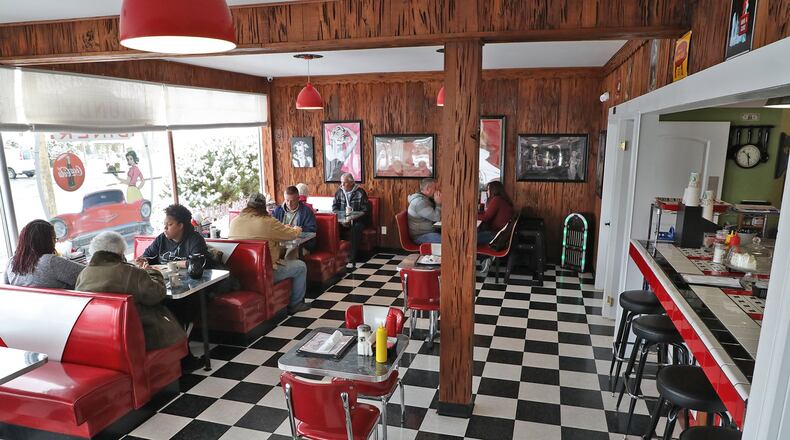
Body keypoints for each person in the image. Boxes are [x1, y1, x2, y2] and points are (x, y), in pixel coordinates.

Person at [76, 232, 186, 351]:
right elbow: (157, 294)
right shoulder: (131, 272)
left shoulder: (84, 274)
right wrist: (150, 272)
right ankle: (186, 359)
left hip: (97, 335)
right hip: (138, 333)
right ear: (120, 252)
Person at [229, 193, 310, 314]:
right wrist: (297, 229)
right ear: (263, 206)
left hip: (239, 274)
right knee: (300, 266)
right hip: (264, 274)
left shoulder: (234, 222)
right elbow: (291, 234)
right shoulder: (267, 221)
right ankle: (295, 304)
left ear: (248, 205)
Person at [3, 219, 84, 289]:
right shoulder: (50, 261)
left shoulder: (11, 262)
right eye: (54, 238)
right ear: (46, 241)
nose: (55, 242)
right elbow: (90, 273)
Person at [136, 204, 212, 269]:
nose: (165, 228)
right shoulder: (161, 239)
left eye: (169, 225)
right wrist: (143, 261)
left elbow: (199, 263)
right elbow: (147, 256)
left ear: (180, 226)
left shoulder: (195, 239)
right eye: (164, 224)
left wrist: (172, 264)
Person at [332, 173, 370, 267]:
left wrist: (352, 218)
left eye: (344, 183)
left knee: (356, 228)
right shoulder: (339, 192)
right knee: (334, 228)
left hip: (358, 220)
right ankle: (338, 255)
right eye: (341, 183)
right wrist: (343, 219)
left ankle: (352, 256)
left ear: (352, 182)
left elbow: (365, 210)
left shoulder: (360, 192)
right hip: (342, 220)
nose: (342, 185)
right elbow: (334, 208)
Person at [273, 186, 318, 251]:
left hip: (301, 245)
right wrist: (282, 227)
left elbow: (312, 229)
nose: (289, 204)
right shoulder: (277, 210)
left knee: (291, 251)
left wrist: (299, 229)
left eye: (292, 201)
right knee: (272, 251)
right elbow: (272, 227)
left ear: (298, 199)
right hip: (281, 242)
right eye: (287, 200)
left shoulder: (306, 211)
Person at [407, 178, 442, 244]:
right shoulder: (419, 202)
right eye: (435, 188)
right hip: (421, 235)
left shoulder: (426, 199)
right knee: (447, 241)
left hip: (430, 231)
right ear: (428, 189)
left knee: (450, 235)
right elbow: (437, 218)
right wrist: (438, 203)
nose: (437, 191)